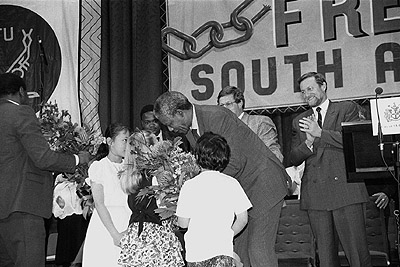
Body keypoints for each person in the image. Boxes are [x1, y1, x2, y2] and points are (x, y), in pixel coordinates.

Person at [154, 91, 291, 267]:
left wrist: (201, 192)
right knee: (239, 253)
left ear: (181, 113)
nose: (171, 130)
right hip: (242, 190)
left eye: (170, 124)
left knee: (259, 250)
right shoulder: (189, 129)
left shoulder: (217, 116)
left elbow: (234, 161)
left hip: (263, 184)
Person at [0, 72, 90, 267]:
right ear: (22, 92)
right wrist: (77, 159)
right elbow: (43, 158)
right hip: (22, 204)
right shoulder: (21, 113)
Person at [289, 72, 372, 267]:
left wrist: (320, 134)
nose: (306, 94)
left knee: (357, 257)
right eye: (303, 92)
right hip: (316, 197)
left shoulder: (347, 109)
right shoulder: (299, 120)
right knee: (326, 260)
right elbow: (292, 157)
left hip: (346, 193)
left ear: (323, 86)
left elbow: (357, 142)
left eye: (310, 89)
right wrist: (308, 144)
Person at [176, 132, 252, 267]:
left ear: (197, 156)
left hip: (196, 252)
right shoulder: (232, 183)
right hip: (223, 250)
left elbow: (183, 224)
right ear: (225, 158)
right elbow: (243, 219)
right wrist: (227, 234)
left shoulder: (189, 186)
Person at [117, 130, 185, 267]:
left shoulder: (130, 178)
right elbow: (165, 207)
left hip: (136, 236)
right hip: (157, 237)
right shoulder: (157, 176)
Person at [82, 123, 132, 267]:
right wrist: (115, 234)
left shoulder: (129, 167)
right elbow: (99, 203)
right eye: (124, 140)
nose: (128, 145)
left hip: (126, 223)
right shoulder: (99, 167)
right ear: (110, 142)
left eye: (130, 141)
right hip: (106, 225)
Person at [217, 86, 283, 162]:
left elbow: (275, 156)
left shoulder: (260, 122)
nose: (225, 109)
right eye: (221, 105)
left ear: (240, 103)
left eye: (228, 104)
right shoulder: (219, 129)